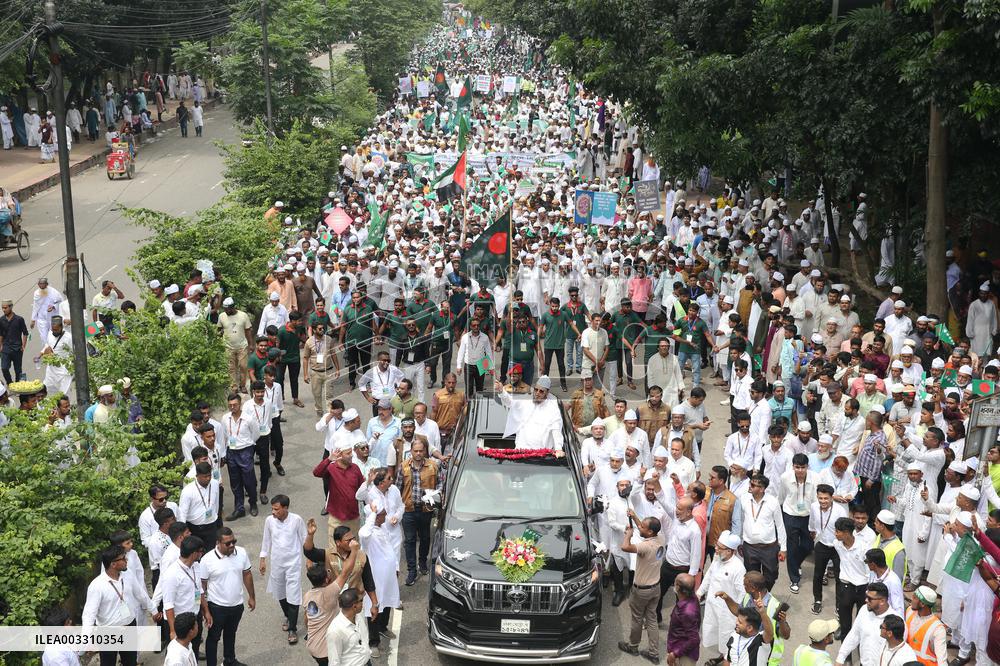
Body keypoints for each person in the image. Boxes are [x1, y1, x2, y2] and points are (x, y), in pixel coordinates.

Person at [302, 531, 360, 665]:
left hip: (312, 645)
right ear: (327, 579)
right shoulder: (329, 593)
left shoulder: (308, 596)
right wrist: (355, 550)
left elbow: (306, 619)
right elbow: (345, 572)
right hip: (326, 650)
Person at [82, 545, 145, 666]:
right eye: (123, 558)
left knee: (130, 662)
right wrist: (87, 639)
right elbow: (89, 615)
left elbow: (140, 594)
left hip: (129, 626)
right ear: (113, 564)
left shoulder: (128, 576)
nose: (126, 560)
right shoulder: (97, 586)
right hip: (108, 632)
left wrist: (153, 609)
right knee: (108, 663)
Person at [200, 528, 255, 666]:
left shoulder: (241, 553)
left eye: (234, 542)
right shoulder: (207, 560)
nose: (232, 545)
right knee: (213, 638)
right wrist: (204, 610)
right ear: (218, 543)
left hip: (236, 605)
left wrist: (252, 597)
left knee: (231, 634)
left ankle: (229, 660)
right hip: (216, 607)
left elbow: (247, 574)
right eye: (228, 543)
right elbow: (201, 587)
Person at [259, 494, 307, 645]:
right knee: (280, 592)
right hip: (277, 563)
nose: (273, 512)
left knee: (293, 594)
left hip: (294, 563)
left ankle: (292, 629)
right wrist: (262, 559)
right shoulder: (269, 521)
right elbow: (266, 540)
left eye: (276, 509)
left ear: (285, 508)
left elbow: (305, 539)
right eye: (272, 509)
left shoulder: (297, 520)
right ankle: (288, 614)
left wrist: (309, 559)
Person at [617, 516, 665, 663]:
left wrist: (628, 535)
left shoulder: (645, 546)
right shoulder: (660, 538)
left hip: (641, 590)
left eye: (642, 527)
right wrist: (635, 517)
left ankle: (633, 646)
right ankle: (654, 653)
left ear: (650, 531)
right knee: (651, 619)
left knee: (637, 618)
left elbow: (625, 547)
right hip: (655, 587)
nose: (639, 528)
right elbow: (644, 529)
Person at [396, 439, 441, 586]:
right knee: (409, 541)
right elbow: (397, 489)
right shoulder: (403, 467)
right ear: (411, 451)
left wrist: (436, 498)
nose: (418, 453)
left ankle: (422, 562)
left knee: (425, 538)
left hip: (425, 510)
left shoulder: (433, 466)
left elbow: (440, 485)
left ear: (425, 451)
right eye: (415, 451)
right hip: (408, 510)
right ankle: (411, 571)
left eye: (421, 450)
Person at [698, 530, 746, 664]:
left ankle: (727, 660)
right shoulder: (717, 558)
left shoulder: (738, 568)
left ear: (730, 551)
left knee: (726, 638)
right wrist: (699, 593)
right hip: (712, 606)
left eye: (720, 547)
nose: (716, 549)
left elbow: (742, 593)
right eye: (716, 545)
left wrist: (740, 613)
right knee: (713, 633)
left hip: (727, 613)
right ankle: (721, 656)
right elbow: (709, 575)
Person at [159, 536, 207, 659]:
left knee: (193, 651)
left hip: (194, 617)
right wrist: (173, 630)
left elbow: (199, 590)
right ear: (193, 553)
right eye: (201, 551)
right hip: (179, 622)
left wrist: (206, 611)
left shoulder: (196, 566)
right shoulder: (172, 574)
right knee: (177, 655)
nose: (202, 554)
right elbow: (168, 605)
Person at [834, 582, 899, 666]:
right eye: (866, 597)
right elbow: (854, 634)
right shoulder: (864, 610)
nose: (866, 600)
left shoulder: (896, 621)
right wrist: (840, 658)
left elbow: (897, 651)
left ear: (882, 601)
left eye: (870, 598)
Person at [326, 589, 371, 666]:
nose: (363, 603)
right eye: (361, 600)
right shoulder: (335, 631)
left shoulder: (358, 615)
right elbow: (334, 662)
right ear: (354, 606)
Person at [0, 299, 29, 383]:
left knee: (18, 370)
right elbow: (1, 334)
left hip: (17, 349)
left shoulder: (19, 319)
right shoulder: (1, 320)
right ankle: (10, 384)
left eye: (5, 308)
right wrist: (1, 346)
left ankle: (17, 386)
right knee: (4, 368)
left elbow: (25, 333)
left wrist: (23, 346)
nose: (4, 310)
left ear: (11, 307)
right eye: (2, 308)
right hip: (5, 348)